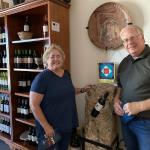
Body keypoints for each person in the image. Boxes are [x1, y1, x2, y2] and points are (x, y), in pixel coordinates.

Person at [29, 44, 92, 150]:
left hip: (66, 125)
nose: (55, 59)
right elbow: (33, 104)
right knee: (47, 148)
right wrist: (47, 127)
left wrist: (82, 89)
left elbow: (68, 91)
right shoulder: (42, 79)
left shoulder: (66, 74)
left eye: (58, 56)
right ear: (46, 60)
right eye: (52, 56)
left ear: (62, 58)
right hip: (51, 129)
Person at [113, 24, 150, 150]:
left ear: (142, 38)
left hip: (146, 122)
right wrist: (116, 99)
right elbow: (120, 86)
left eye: (132, 37)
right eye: (125, 40)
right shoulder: (124, 62)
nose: (129, 42)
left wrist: (139, 106)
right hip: (126, 119)